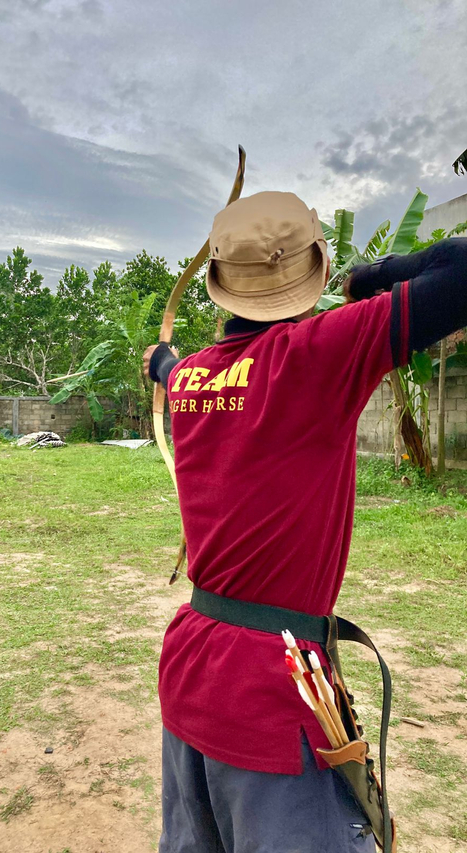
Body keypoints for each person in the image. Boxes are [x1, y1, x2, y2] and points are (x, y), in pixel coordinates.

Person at [143, 190, 467, 853]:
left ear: (221, 287)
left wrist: (159, 361)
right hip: (271, 695)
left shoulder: (191, 381)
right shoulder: (317, 352)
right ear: (311, 273)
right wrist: (375, 276)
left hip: (192, 673)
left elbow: (172, 369)